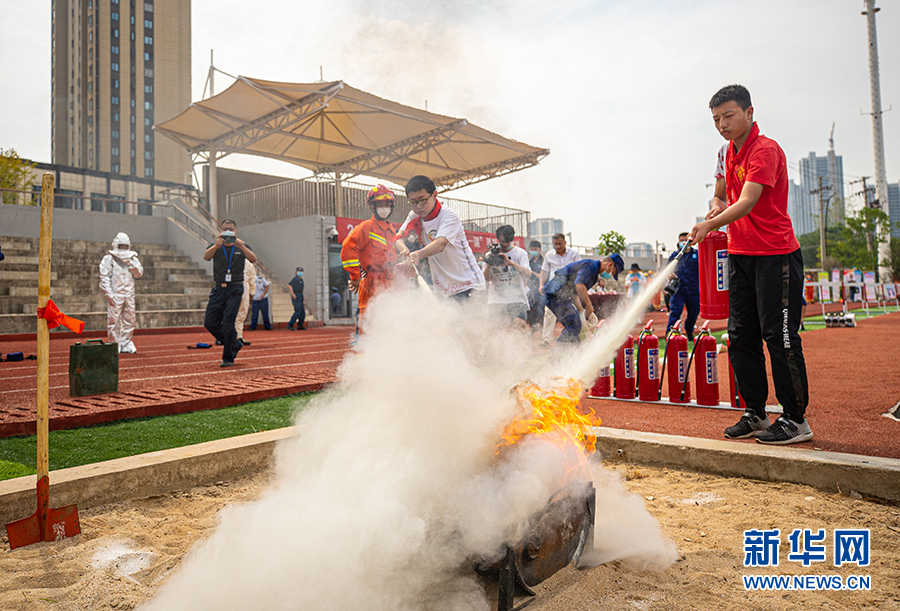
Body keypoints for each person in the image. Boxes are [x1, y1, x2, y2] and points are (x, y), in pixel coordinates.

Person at [689, 84, 812, 445]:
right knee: (740, 336)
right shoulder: (725, 152)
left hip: (776, 256)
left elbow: (747, 200)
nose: (722, 124)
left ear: (749, 113)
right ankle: (756, 413)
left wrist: (712, 222)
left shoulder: (766, 150)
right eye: (716, 119)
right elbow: (722, 192)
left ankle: (795, 419)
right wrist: (714, 204)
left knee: (781, 336)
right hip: (739, 255)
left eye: (728, 116)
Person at [395, 175, 485, 300]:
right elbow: (399, 238)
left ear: (434, 195)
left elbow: (440, 244)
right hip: (443, 289)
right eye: (413, 202)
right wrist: (404, 249)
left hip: (468, 284)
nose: (418, 206)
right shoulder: (414, 216)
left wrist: (418, 254)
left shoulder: (448, 216)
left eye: (422, 199)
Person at [340, 184, 400, 329]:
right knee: (368, 327)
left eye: (387, 204)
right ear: (372, 207)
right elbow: (348, 248)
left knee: (390, 326)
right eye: (380, 205)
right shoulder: (366, 227)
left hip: (390, 284)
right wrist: (355, 277)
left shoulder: (392, 230)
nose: (384, 208)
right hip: (371, 283)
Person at [203, 219, 257, 367]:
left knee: (228, 322)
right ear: (220, 232)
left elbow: (253, 259)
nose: (228, 232)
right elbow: (206, 257)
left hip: (235, 288)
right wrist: (215, 245)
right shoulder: (216, 246)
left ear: (236, 232)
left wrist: (241, 246)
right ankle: (234, 343)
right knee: (209, 322)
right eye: (225, 229)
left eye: (231, 229)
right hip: (218, 288)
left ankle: (228, 357)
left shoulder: (241, 247)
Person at [542, 254, 625, 344]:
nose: (610, 276)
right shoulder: (591, 265)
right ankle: (556, 356)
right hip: (554, 294)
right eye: (612, 273)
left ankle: (577, 354)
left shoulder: (594, 273)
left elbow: (575, 293)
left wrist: (581, 310)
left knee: (577, 327)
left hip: (559, 295)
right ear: (609, 265)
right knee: (574, 324)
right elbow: (580, 285)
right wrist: (589, 306)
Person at [99, 232, 143, 353]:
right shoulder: (109, 259)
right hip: (115, 293)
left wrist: (131, 263)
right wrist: (109, 293)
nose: (123, 248)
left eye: (125, 246)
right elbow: (104, 277)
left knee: (130, 319)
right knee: (113, 319)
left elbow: (138, 273)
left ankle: (126, 342)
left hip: (129, 294)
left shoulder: (133, 259)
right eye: (121, 246)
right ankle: (114, 343)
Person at [483, 225, 532, 329]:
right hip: (496, 298)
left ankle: (519, 345)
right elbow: (486, 279)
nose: (504, 244)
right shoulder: (490, 254)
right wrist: (489, 263)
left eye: (507, 241)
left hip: (517, 297)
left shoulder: (520, 253)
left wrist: (510, 263)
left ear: (512, 239)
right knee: (492, 329)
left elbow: (528, 274)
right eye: (502, 241)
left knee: (520, 325)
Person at [539, 233, 581, 345]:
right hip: (554, 290)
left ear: (565, 243)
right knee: (549, 312)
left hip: (570, 289)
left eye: (560, 244)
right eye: (555, 244)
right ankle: (546, 339)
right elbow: (544, 272)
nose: (557, 247)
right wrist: (541, 285)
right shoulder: (549, 255)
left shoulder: (574, 255)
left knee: (576, 311)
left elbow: (579, 271)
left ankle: (578, 337)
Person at [666, 232, 700, 342]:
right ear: (678, 242)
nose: (684, 242)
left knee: (693, 313)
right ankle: (670, 334)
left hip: (693, 289)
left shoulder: (697, 255)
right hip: (678, 290)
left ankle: (689, 331)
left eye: (686, 239)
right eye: (682, 240)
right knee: (675, 311)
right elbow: (667, 270)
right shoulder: (675, 256)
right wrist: (669, 274)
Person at [234, 260, 257, 346]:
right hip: (243, 285)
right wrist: (252, 294)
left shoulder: (229, 258)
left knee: (232, 313)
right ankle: (238, 336)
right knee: (241, 313)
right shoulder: (249, 264)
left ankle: (234, 336)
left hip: (231, 285)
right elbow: (252, 280)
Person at [526, 240, 545, 332]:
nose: (533, 251)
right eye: (531, 249)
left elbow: (542, 276)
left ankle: (541, 329)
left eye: (535, 249)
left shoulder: (544, 261)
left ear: (540, 250)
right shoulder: (529, 262)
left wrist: (531, 272)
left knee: (540, 310)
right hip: (531, 289)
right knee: (527, 307)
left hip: (542, 289)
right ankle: (533, 326)